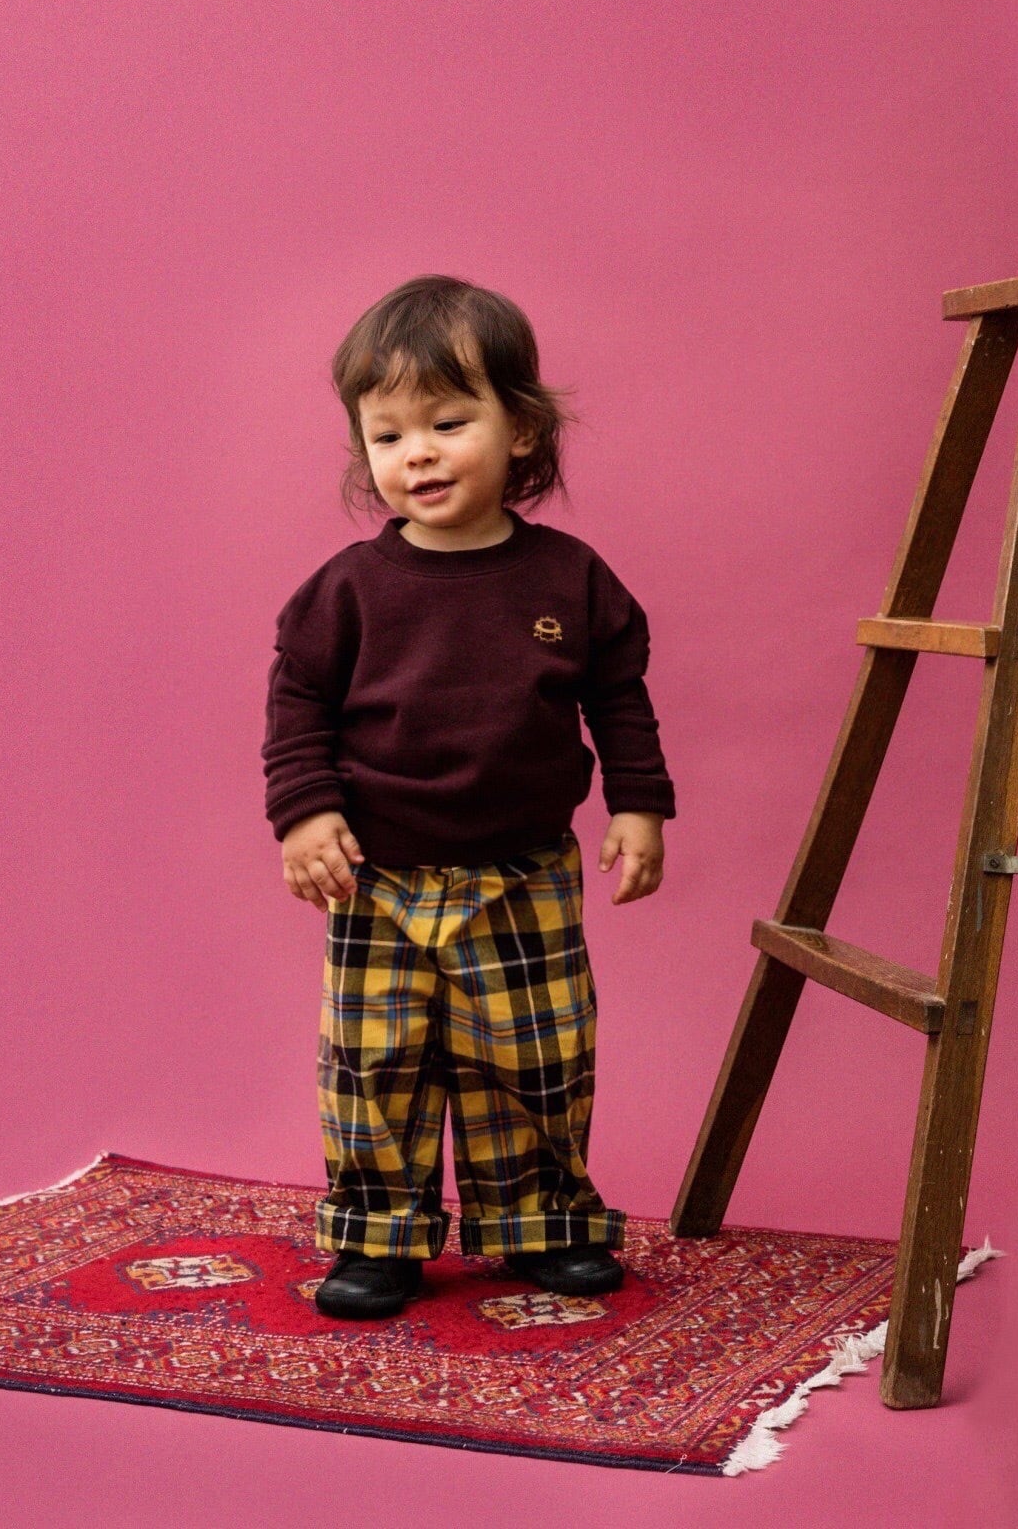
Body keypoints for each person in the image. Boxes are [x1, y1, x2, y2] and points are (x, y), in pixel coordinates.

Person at [262, 275, 677, 1322]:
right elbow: (297, 700)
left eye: (449, 423)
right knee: (375, 1068)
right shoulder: (347, 590)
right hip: (378, 879)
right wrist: (304, 812)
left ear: (521, 430)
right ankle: (378, 1237)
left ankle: (540, 1223)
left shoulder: (571, 580)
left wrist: (640, 806)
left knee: (534, 1058)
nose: (420, 454)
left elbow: (618, 697)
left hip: (522, 874)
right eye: (389, 435)